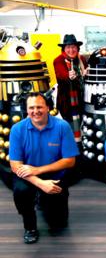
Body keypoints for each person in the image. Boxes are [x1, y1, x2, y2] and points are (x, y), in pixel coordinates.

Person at [9, 93, 79, 244]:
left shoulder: (62, 126)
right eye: (31, 108)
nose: (36, 111)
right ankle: (30, 226)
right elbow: (15, 165)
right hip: (27, 175)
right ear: (26, 110)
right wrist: (40, 183)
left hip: (53, 173)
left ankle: (43, 200)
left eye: (39, 107)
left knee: (58, 223)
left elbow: (70, 161)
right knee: (21, 191)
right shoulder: (17, 129)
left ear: (48, 107)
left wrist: (38, 170)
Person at [53, 34, 87, 143]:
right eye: (68, 47)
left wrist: (85, 74)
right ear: (64, 49)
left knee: (83, 125)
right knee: (69, 128)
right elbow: (62, 75)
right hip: (67, 102)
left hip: (82, 99)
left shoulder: (81, 59)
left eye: (73, 47)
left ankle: (81, 147)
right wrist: (70, 76)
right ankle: (73, 151)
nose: (71, 50)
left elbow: (86, 72)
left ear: (77, 48)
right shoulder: (58, 60)